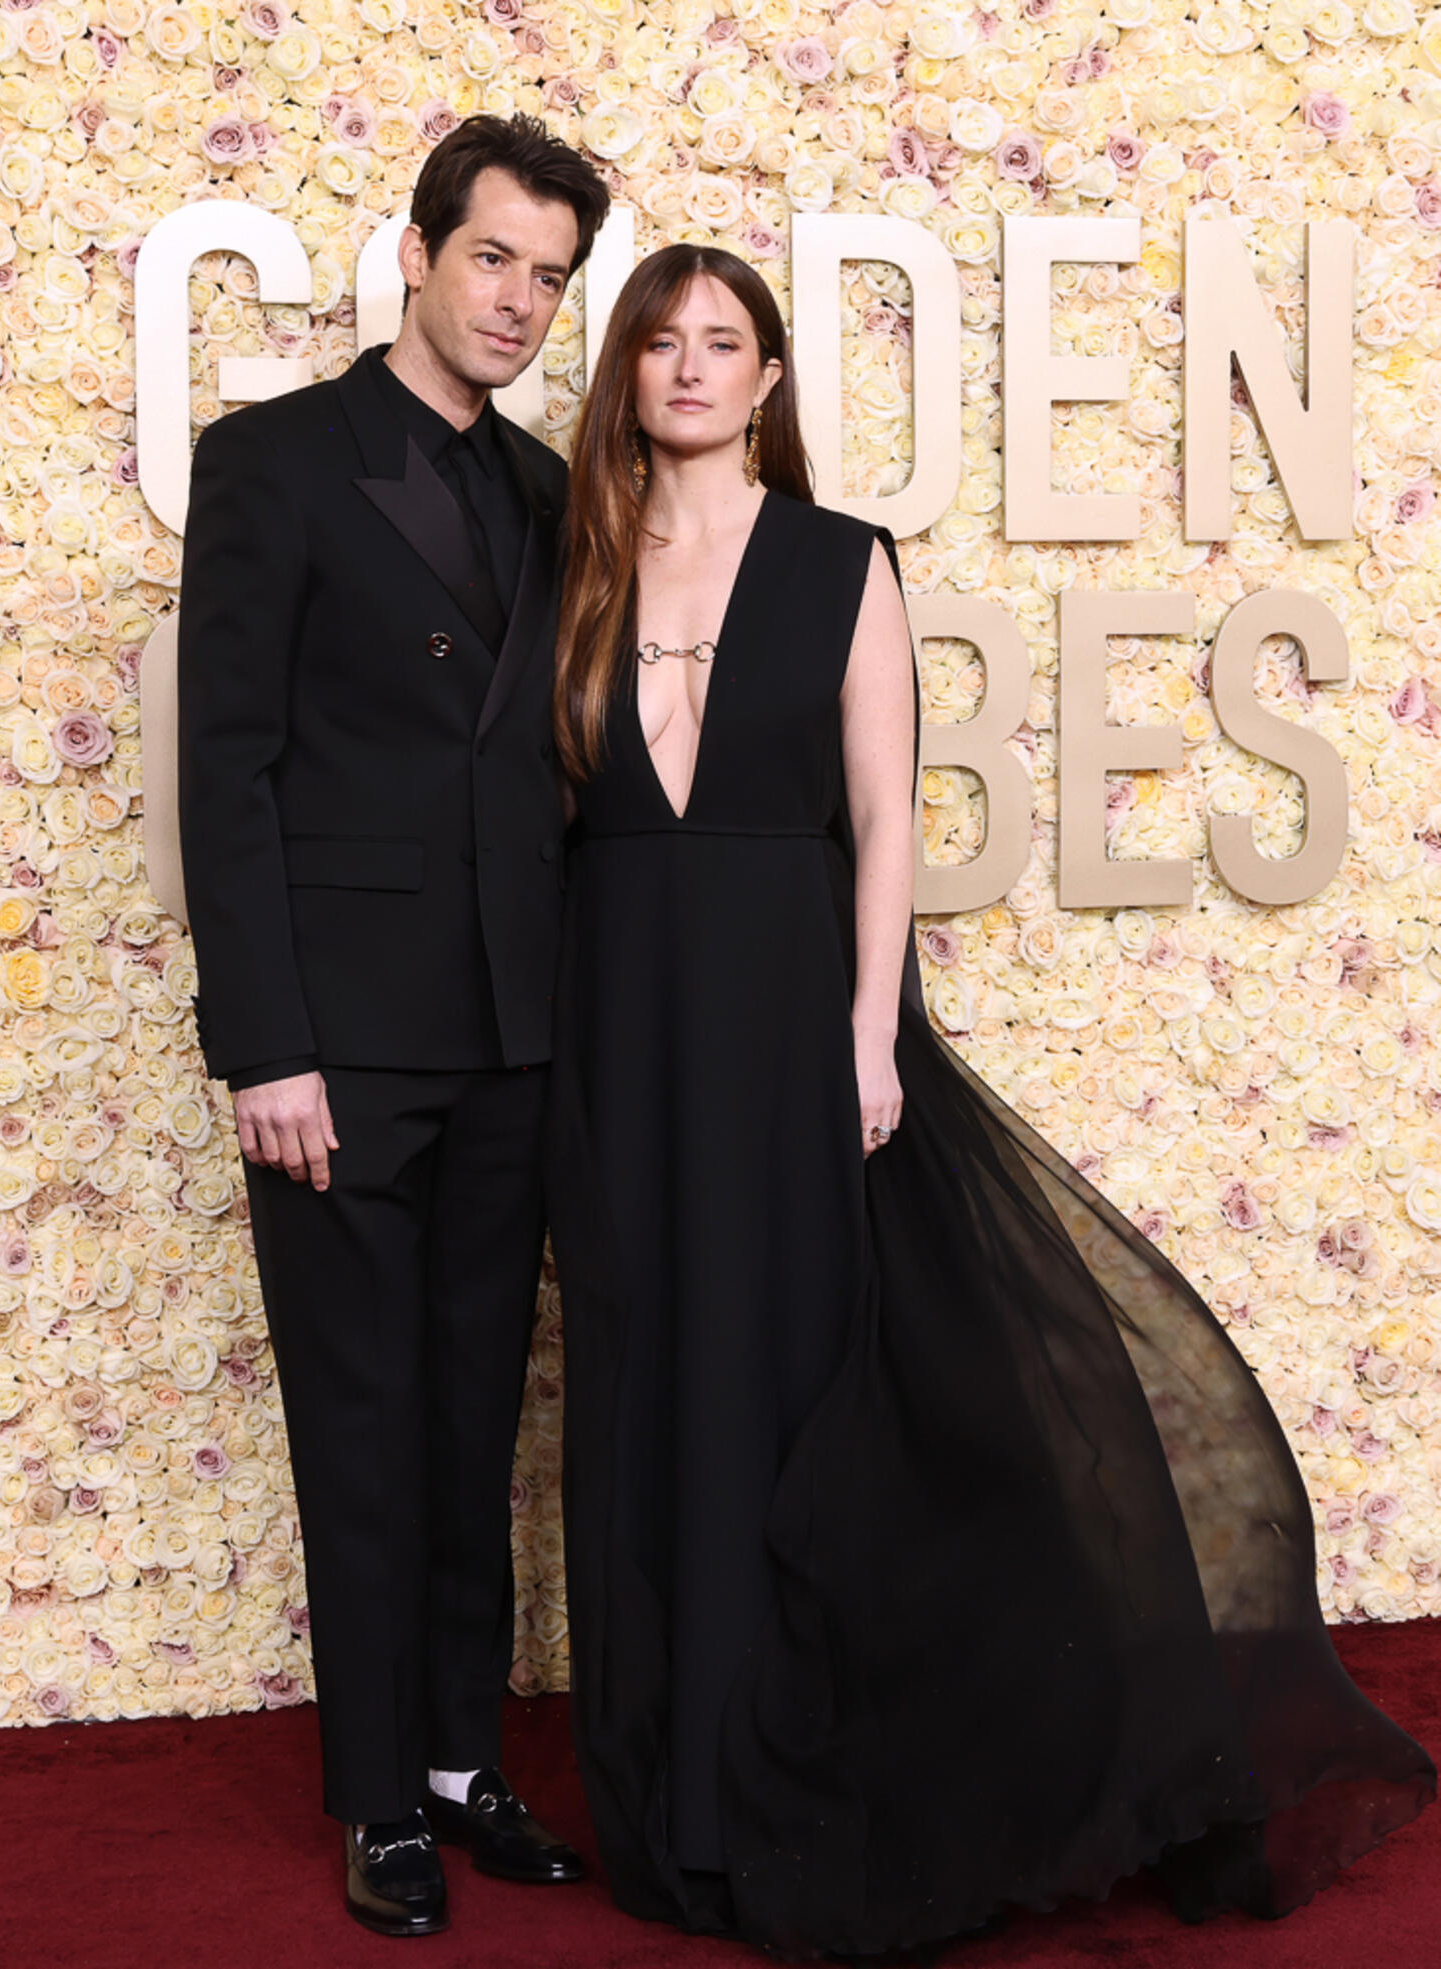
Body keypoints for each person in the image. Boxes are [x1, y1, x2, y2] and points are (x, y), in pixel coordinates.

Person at [545, 243, 1435, 1957]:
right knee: (652, 1397)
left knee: (794, 1393)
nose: (690, 367)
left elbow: (884, 825)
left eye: (723, 342)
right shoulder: (574, 554)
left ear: (771, 378)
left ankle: (796, 1781)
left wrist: (871, 1033)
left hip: (793, 1026)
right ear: (630, 373)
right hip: (620, 1041)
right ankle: (675, 1791)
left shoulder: (840, 563)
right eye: (661, 341)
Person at [177, 116, 609, 1939]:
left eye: (552, 277)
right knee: (361, 1423)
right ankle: (379, 1801)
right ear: (418, 255)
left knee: (466, 1427)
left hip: (515, 1036)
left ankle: (456, 1761)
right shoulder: (272, 464)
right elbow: (230, 772)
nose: (520, 301)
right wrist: (264, 1043)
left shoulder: (545, 496)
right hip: (337, 1053)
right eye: (496, 259)